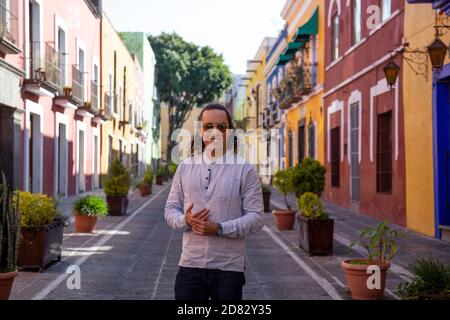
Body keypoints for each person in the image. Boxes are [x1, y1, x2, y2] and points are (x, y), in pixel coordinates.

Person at [165, 103, 265, 301]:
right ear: (200, 131)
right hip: (190, 265)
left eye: (221, 127)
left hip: (228, 268)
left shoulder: (244, 170)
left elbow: (257, 217)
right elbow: (170, 209)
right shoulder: (185, 167)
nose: (215, 133)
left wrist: (219, 228)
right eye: (208, 126)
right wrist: (186, 220)